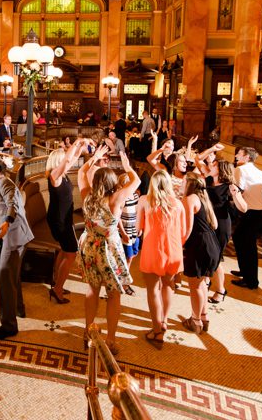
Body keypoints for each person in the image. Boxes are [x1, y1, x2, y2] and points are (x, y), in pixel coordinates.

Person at [77, 146, 140, 354]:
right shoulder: (115, 199)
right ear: (112, 183)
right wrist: (128, 167)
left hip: (90, 246)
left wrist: (93, 158)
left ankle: (88, 331)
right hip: (109, 249)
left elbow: (81, 173)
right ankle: (111, 340)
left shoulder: (87, 195)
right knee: (113, 294)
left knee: (92, 290)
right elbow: (137, 182)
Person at [0, 159, 34, 338]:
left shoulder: (5, 182)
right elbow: (4, 202)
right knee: (12, 275)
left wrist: (6, 222)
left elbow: (12, 202)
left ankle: (8, 326)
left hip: (14, 236)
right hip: (16, 235)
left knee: (5, 278)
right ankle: (19, 309)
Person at [137, 170, 187, 343]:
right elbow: (184, 231)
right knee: (168, 284)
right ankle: (164, 320)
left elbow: (138, 228)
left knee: (152, 291)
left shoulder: (144, 201)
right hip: (173, 249)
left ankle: (157, 330)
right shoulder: (179, 204)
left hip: (153, 248)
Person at [45, 140, 88, 304]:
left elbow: (72, 159)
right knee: (71, 253)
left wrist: (80, 148)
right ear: (58, 161)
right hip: (59, 221)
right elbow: (66, 161)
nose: (67, 161)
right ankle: (57, 290)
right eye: (64, 159)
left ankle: (57, 283)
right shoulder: (54, 177)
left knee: (64, 250)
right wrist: (76, 142)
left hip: (63, 218)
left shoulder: (61, 175)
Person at [181, 175, 222, 334]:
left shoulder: (190, 199)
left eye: (184, 181)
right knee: (203, 282)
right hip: (211, 243)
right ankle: (203, 317)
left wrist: (180, 245)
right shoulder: (203, 198)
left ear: (189, 184)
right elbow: (215, 224)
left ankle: (195, 320)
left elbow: (188, 228)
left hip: (199, 245)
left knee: (195, 285)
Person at [207, 160, 247, 304]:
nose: (211, 166)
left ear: (221, 169)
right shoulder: (208, 181)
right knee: (206, 254)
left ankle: (220, 291)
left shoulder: (229, 187)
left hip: (221, 224)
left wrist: (236, 195)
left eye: (214, 165)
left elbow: (243, 208)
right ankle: (206, 282)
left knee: (216, 258)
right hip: (206, 223)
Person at [229, 146, 262, 290]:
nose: (236, 156)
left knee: (248, 247)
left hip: (251, 212)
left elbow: (237, 190)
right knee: (240, 239)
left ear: (247, 157)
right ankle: (245, 271)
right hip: (260, 212)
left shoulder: (240, 170)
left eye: (239, 154)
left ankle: (251, 281)